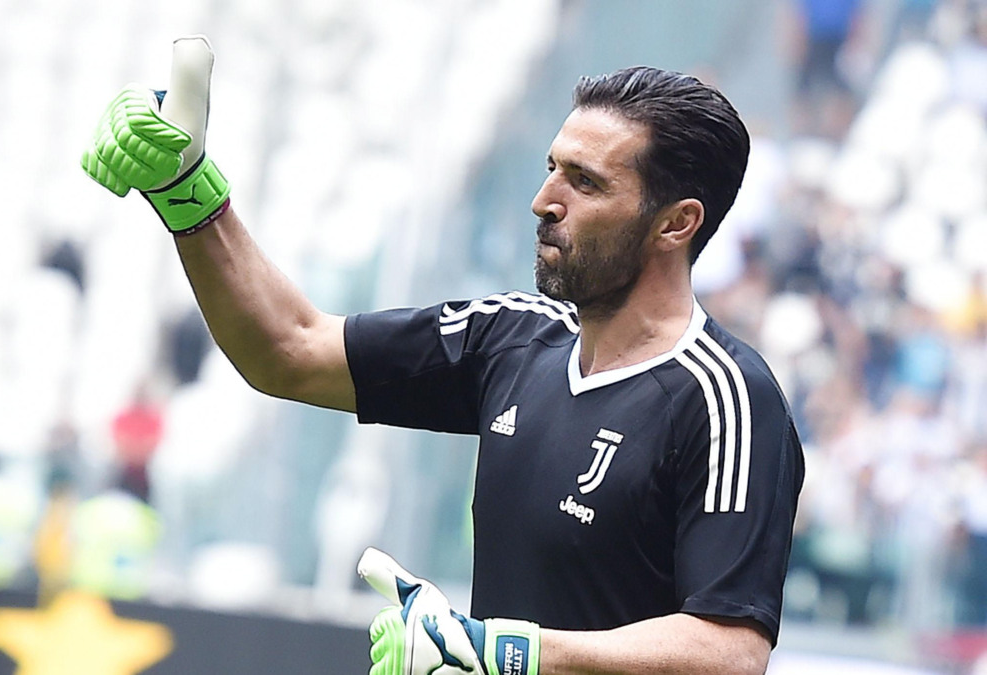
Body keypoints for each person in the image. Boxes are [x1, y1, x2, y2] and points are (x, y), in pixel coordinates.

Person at [82, 37, 804, 675]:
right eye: (552, 168)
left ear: (676, 224)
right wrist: (189, 194)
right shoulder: (511, 336)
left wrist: (501, 650)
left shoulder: (727, 398)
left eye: (584, 182)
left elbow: (728, 653)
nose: (543, 200)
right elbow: (289, 350)